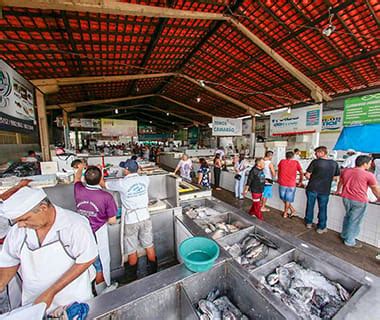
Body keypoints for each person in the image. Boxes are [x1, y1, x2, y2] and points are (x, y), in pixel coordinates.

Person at [0, 187, 97, 314]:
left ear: (43, 208)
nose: (21, 225)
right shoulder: (17, 232)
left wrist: (51, 292)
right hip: (33, 302)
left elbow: (87, 259)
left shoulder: (75, 225)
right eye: (17, 221)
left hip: (71, 302)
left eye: (25, 219)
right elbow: (9, 261)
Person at [102, 159, 156, 282]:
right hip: (145, 216)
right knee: (149, 245)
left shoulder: (121, 183)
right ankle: (153, 272)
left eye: (124, 168)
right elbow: (141, 174)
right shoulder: (145, 179)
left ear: (126, 169)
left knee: (132, 250)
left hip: (131, 220)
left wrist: (100, 170)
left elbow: (102, 184)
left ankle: (132, 278)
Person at [74, 164, 118, 295]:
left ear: (85, 179)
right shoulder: (106, 197)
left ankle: (90, 289)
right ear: (100, 180)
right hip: (97, 233)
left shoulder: (78, 189)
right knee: (100, 264)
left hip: (81, 232)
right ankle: (102, 292)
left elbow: (76, 178)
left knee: (87, 261)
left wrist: (81, 167)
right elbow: (112, 221)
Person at [336, 156, 380, 248]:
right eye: (369, 163)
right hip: (359, 200)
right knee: (355, 220)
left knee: (348, 216)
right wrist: (379, 197)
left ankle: (344, 235)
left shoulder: (346, 171)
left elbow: (341, 181)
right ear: (364, 164)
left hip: (346, 198)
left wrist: (338, 190)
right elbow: (375, 189)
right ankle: (350, 241)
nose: (370, 165)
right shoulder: (368, 175)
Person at [304, 146, 340, 233]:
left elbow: (307, 175)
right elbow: (336, 177)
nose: (315, 154)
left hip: (312, 187)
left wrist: (313, 178)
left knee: (310, 206)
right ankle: (321, 227)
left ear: (322, 153)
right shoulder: (334, 163)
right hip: (325, 189)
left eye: (316, 153)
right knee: (323, 208)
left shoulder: (315, 162)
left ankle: (309, 223)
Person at [277, 151, 304, 218]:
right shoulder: (296, 162)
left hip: (283, 183)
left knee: (284, 198)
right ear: (293, 156)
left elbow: (279, 171)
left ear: (285, 156)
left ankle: (285, 213)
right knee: (286, 199)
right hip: (291, 184)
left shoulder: (282, 161)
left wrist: (278, 178)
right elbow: (301, 172)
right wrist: (301, 181)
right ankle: (292, 210)